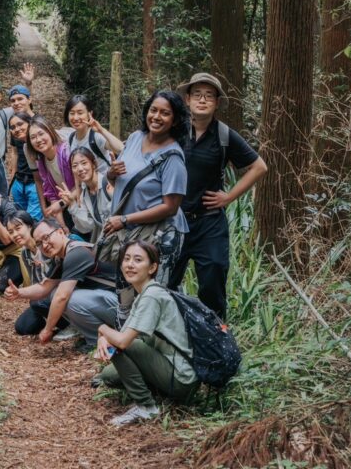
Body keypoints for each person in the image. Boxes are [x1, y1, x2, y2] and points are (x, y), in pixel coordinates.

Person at [170, 73, 268, 319]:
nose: (203, 100)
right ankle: (166, 338)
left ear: (216, 103)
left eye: (209, 96)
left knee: (212, 281)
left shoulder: (224, 135)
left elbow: (259, 167)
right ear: (187, 99)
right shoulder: (175, 132)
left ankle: (216, 340)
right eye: (197, 95)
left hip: (209, 221)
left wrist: (229, 197)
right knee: (165, 281)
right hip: (174, 220)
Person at [95, 241, 198, 425]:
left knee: (119, 346)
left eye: (137, 260)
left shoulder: (152, 296)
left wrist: (102, 330)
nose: (130, 265)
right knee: (108, 376)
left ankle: (146, 407)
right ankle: (157, 392)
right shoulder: (144, 294)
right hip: (168, 365)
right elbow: (121, 336)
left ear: (152, 268)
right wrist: (104, 339)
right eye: (126, 259)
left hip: (182, 376)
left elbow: (122, 341)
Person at [104, 90, 189, 287]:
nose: (157, 117)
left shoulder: (173, 158)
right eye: (153, 110)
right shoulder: (135, 138)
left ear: (175, 121)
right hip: (129, 233)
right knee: (125, 293)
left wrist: (125, 220)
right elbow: (121, 183)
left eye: (165, 113)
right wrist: (111, 173)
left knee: (152, 295)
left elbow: (170, 207)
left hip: (158, 236)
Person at [4, 217, 117, 346]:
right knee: (52, 294)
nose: (44, 245)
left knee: (68, 298)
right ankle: (95, 335)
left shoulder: (76, 253)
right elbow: (45, 287)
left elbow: (61, 297)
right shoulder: (60, 258)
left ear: (60, 232)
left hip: (120, 306)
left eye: (46, 237)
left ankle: (95, 341)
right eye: (39, 243)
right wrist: (18, 292)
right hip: (106, 302)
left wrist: (47, 329)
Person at [25, 116, 75, 226]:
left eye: (41, 134)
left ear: (50, 132)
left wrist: (62, 203)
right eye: (33, 137)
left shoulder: (67, 153)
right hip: (71, 208)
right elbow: (52, 194)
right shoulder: (42, 162)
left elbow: (83, 185)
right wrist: (62, 227)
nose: (38, 140)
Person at [60, 147, 112, 243]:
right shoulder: (84, 194)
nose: (80, 169)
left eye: (84, 163)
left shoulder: (108, 183)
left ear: (93, 164)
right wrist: (72, 204)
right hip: (107, 241)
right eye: (75, 166)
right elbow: (87, 227)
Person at [64, 95, 123, 173]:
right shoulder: (70, 139)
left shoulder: (96, 136)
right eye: (72, 113)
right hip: (86, 184)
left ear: (90, 114)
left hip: (105, 183)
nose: (75, 118)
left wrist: (101, 130)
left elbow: (121, 149)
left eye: (80, 113)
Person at [7, 112, 43, 221]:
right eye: (13, 127)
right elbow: (14, 153)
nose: (17, 129)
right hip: (19, 181)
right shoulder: (23, 144)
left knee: (32, 220)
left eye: (20, 124)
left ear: (29, 123)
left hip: (35, 184)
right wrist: (12, 178)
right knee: (20, 216)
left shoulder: (40, 142)